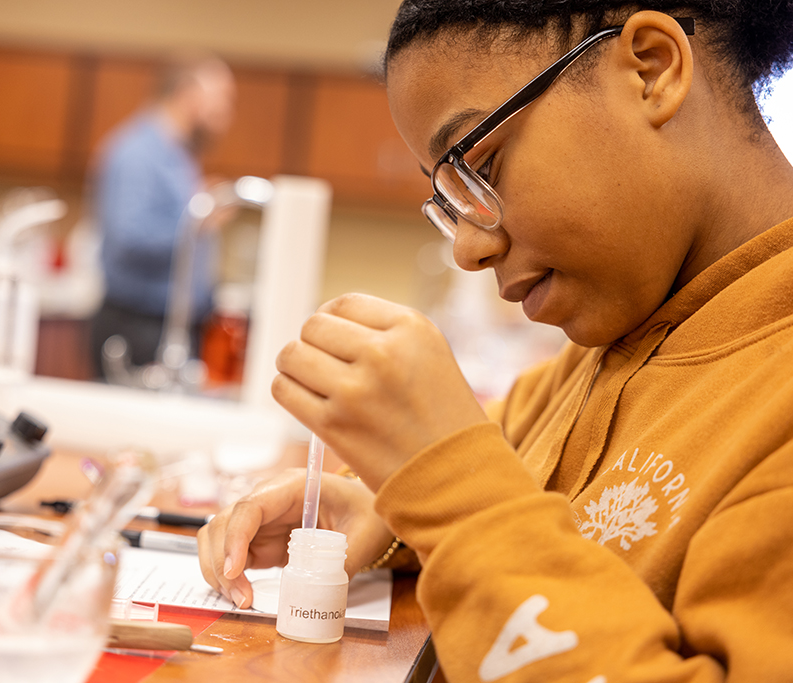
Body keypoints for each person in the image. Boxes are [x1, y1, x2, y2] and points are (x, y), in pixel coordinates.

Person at [197, 2, 793, 680]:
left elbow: (479, 505)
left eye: (485, 166)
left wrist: (448, 489)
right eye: (449, 201)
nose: (469, 249)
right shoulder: (609, 352)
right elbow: (524, 514)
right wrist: (389, 515)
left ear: (652, 70)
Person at [90, 54, 235, 376]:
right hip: (137, 329)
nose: (227, 114)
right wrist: (199, 221)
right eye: (221, 100)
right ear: (187, 94)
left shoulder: (177, 154)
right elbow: (130, 239)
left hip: (170, 328)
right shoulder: (137, 154)